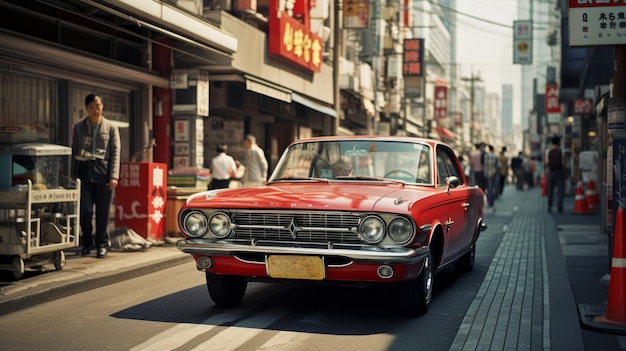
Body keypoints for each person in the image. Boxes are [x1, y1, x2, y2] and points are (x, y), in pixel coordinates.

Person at [71, 93, 121, 258]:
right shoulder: (79, 127)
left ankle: (102, 244)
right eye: (91, 107)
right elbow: (74, 151)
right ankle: (87, 242)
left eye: (98, 106)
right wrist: (72, 174)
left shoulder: (111, 127)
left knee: (102, 212)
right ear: (86, 108)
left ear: (102, 107)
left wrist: (114, 176)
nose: (95, 110)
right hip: (84, 173)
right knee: (85, 210)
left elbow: (115, 153)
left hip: (104, 173)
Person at [545, 136, 566, 213]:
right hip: (560, 172)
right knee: (560, 189)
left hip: (551, 172)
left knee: (550, 190)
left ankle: (549, 206)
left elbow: (546, 162)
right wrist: (563, 170)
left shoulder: (548, 151)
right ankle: (559, 205)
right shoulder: (561, 151)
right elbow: (564, 163)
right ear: (558, 143)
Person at [483, 144, 500, 208]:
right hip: (494, 173)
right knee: (493, 187)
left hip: (487, 173)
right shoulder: (495, 156)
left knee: (489, 187)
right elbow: (498, 165)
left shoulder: (486, 155)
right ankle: (492, 200)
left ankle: (489, 200)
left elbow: (484, 164)